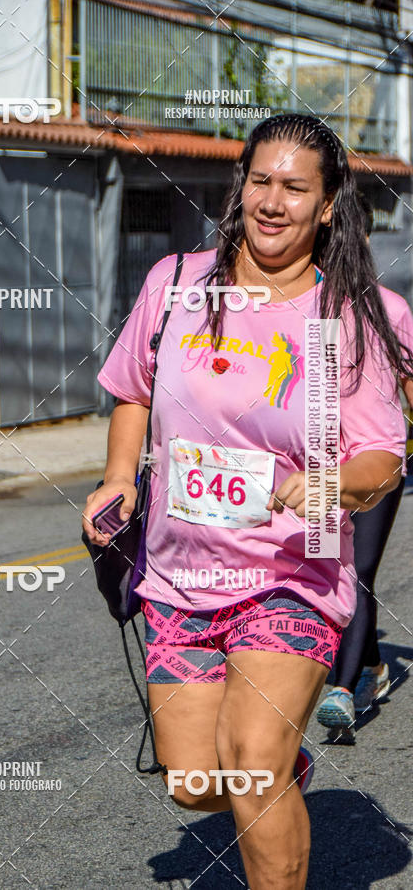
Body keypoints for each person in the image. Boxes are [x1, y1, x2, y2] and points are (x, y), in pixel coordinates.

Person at [82, 113, 411, 889]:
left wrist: (330, 483)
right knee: (198, 780)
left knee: (253, 767)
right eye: (261, 181)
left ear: (327, 205)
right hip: (180, 575)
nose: (272, 201)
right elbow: (132, 390)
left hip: (292, 572)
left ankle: (269, 759)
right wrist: (120, 477)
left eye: (295, 188)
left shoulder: (346, 315)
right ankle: (277, 758)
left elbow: (382, 457)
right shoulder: (177, 285)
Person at [316, 193, 413, 742]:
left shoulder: (390, 309)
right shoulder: (310, 308)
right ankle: (372, 664)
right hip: (320, 466)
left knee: (356, 572)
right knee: (334, 569)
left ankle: (339, 687)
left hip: (377, 466)